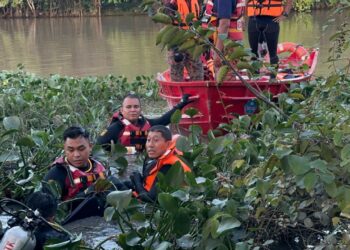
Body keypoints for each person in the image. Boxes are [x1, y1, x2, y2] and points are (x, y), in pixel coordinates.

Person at [42, 126, 108, 224]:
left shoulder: (98, 166)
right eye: (71, 150)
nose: (76, 155)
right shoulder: (56, 174)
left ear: (90, 147)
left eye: (81, 149)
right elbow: (48, 212)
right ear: (64, 149)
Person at [97, 93, 193, 152]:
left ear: (140, 109)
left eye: (136, 107)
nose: (133, 110)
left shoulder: (146, 123)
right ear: (122, 110)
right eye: (129, 107)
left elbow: (164, 120)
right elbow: (97, 148)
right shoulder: (114, 129)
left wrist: (181, 103)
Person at [117, 125, 191, 202]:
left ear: (168, 144)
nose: (150, 145)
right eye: (148, 140)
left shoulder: (169, 166)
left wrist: (137, 182)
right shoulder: (162, 158)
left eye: (156, 140)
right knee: (117, 183)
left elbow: (151, 199)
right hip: (147, 192)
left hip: (152, 203)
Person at [246, 0, 293, 76]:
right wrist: (245, 17)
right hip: (253, 19)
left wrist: (285, 14)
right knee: (253, 53)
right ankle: (254, 77)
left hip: (272, 21)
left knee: (273, 54)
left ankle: (273, 78)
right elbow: (246, 2)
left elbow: (290, 1)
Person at [162, 0, 204, 82]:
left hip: (193, 42)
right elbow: (168, 25)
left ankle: (198, 92)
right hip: (177, 42)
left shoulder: (196, 2)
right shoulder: (171, 3)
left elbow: (199, 21)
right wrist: (175, 47)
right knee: (176, 73)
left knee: (198, 74)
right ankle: (177, 93)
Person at [202, 0, 246, 70]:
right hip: (231, 44)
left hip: (225, 45)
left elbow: (224, 24)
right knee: (231, 76)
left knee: (224, 77)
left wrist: (217, 52)